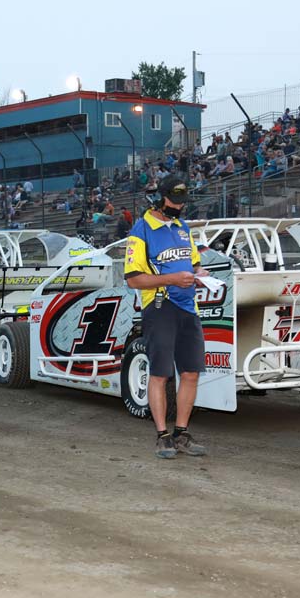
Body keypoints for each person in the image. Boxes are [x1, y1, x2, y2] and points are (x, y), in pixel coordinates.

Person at [124, 177, 209, 460]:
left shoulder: (183, 228)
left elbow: (194, 265)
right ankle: (162, 436)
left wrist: (200, 275)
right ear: (159, 199)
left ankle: (181, 433)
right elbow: (133, 280)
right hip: (160, 307)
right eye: (174, 201)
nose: (179, 206)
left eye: (182, 202)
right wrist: (172, 279)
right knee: (160, 373)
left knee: (191, 373)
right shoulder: (141, 229)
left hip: (189, 308)